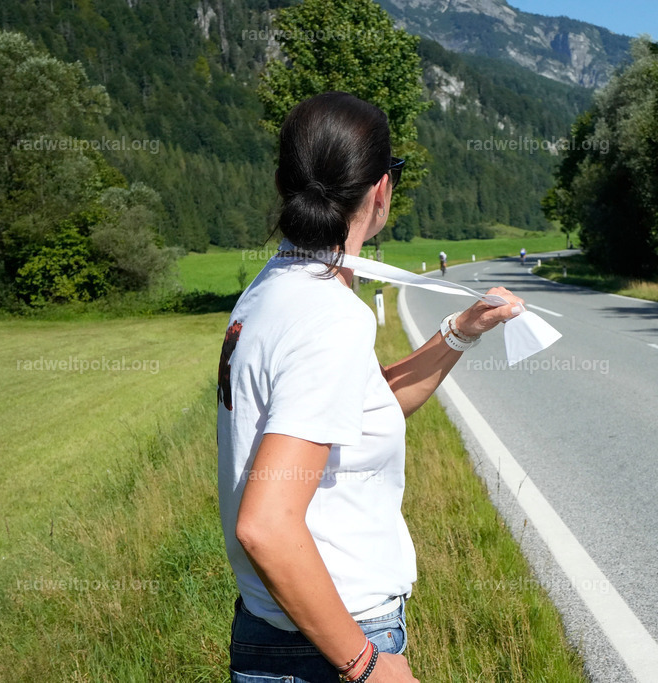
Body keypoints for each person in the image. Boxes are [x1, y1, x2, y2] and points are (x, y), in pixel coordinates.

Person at [216, 92, 525, 683]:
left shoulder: (274, 284)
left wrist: (460, 332)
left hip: (275, 629)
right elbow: (266, 524)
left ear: (285, 183)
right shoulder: (328, 315)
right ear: (382, 189)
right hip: (331, 640)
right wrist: (366, 666)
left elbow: (352, 412)